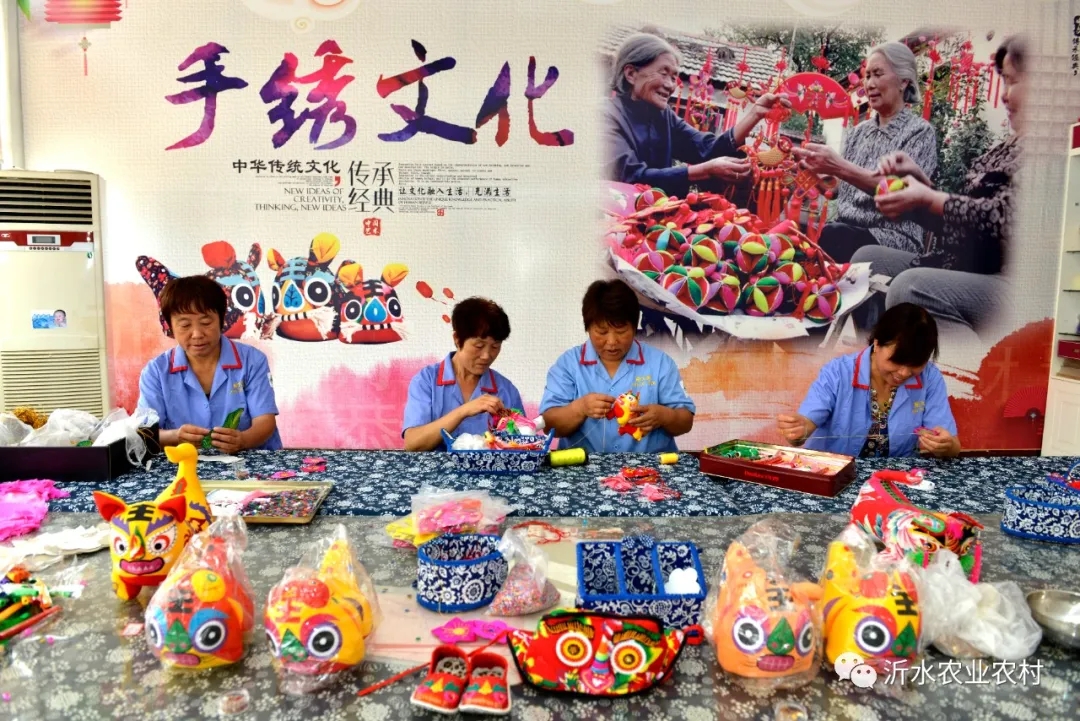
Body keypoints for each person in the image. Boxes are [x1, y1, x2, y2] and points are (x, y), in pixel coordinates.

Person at [852, 36, 1026, 340]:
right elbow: (967, 213)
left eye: (1012, 81)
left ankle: (966, 369)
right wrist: (921, 184)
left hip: (1006, 277)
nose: (1004, 96)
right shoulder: (1006, 147)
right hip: (964, 260)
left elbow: (1002, 219)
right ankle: (876, 351)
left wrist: (927, 198)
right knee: (863, 260)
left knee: (910, 288)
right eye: (867, 75)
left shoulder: (1053, 148)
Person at [792, 42, 938, 262]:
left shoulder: (919, 131)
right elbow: (839, 190)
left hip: (892, 237)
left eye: (878, 74)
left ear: (904, 81)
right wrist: (813, 173)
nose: (869, 83)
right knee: (797, 235)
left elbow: (902, 195)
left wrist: (838, 166)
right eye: (867, 76)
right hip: (846, 230)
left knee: (831, 237)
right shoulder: (859, 132)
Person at [606, 32, 790, 198]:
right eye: (663, 73)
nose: (670, 85)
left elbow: (706, 148)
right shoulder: (605, 116)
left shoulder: (664, 116)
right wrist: (704, 171)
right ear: (631, 74)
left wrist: (755, 113)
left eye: (673, 77)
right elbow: (631, 176)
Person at [776, 303, 959, 458]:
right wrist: (798, 430)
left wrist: (946, 446)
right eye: (897, 361)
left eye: (916, 364)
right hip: (836, 474)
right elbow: (804, 427)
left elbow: (953, 446)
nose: (904, 373)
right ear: (877, 344)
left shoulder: (930, 378)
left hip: (897, 478)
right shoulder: (838, 372)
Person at [540, 279, 695, 453]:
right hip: (582, 467)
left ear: (635, 327)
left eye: (621, 331)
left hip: (650, 467)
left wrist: (664, 416)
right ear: (588, 328)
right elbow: (548, 424)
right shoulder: (568, 365)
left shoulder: (660, 363)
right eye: (602, 332)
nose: (612, 341)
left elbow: (686, 420)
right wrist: (580, 408)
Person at [138, 275, 281, 452]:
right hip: (185, 462)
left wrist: (243, 440)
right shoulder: (156, 372)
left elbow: (265, 420)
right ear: (170, 327)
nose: (197, 334)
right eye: (185, 325)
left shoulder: (252, 361)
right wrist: (175, 436)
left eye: (206, 322)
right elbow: (145, 433)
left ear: (222, 320)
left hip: (250, 459)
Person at [403, 297, 524, 452]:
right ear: (457, 339)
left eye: (495, 346)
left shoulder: (506, 390)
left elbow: (522, 445)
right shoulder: (426, 381)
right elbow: (413, 444)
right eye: (478, 346)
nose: (487, 355)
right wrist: (464, 411)